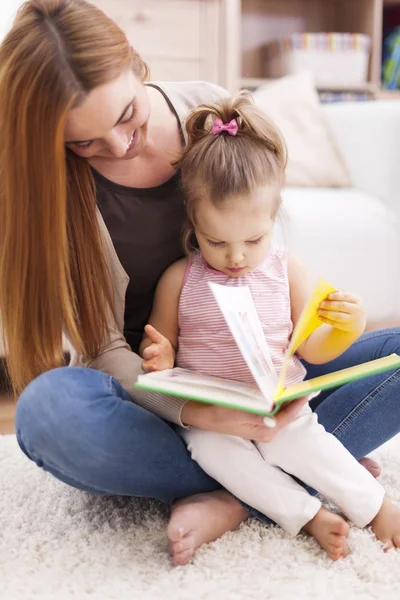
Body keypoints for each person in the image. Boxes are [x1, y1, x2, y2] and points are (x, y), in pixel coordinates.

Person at [0, 0, 398, 567]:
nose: (117, 147)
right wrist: (197, 412)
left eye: (126, 116)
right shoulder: (53, 195)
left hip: (263, 374)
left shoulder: (213, 113)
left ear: (137, 64)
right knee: (46, 414)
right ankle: (285, 478)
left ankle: (236, 496)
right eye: (82, 142)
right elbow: (107, 350)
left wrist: (329, 328)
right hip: (156, 392)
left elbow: (269, 261)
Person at [139, 93, 400, 560]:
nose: (236, 257)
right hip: (212, 418)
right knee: (217, 457)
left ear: (274, 214)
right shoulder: (179, 279)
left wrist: (347, 326)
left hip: (280, 408)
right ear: (192, 221)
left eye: (253, 239)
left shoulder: (286, 271)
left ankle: (376, 506)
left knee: (311, 446)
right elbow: (161, 353)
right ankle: (306, 514)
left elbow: (315, 351)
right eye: (215, 241)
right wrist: (159, 358)